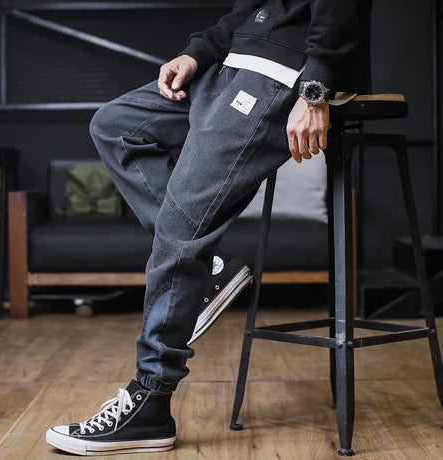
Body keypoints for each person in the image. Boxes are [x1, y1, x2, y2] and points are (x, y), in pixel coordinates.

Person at [46, 0, 371, 455]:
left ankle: (151, 401)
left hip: (281, 76)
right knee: (117, 126)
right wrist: (196, 53)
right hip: (229, 68)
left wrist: (316, 89)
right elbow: (246, 12)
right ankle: (211, 267)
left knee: (180, 226)